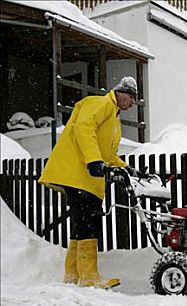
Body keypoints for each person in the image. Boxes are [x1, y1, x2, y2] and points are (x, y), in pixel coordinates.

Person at [39, 76, 139, 289]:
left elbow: (108, 154)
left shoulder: (114, 117)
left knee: (81, 222)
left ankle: (72, 274)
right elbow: (83, 128)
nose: (132, 103)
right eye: (131, 98)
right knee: (88, 221)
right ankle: (89, 276)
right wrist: (93, 160)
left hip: (85, 178)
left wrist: (125, 167)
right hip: (79, 174)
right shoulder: (102, 103)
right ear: (121, 93)